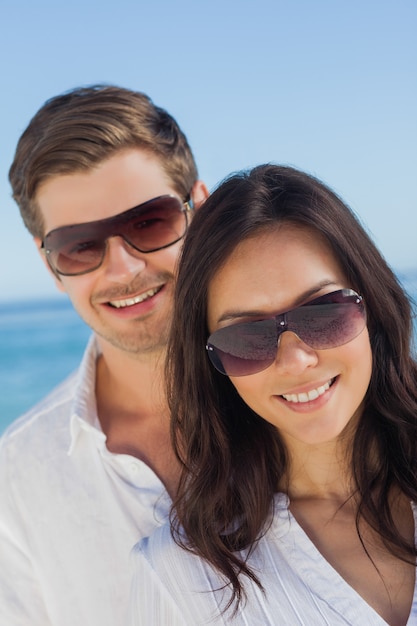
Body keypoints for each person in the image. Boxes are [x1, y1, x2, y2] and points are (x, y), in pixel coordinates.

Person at [130, 164, 417, 625]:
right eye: (247, 337)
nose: (296, 360)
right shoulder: (178, 577)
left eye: (323, 311)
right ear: (213, 363)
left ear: (374, 307)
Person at [0, 84, 208, 626]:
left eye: (149, 222)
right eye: (80, 245)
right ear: (50, 265)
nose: (122, 269)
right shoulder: (16, 482)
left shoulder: (317, 393)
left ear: (200, 210)